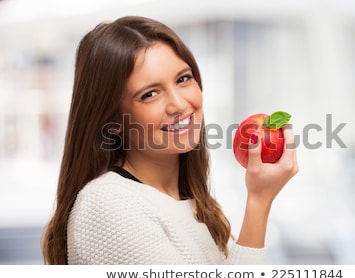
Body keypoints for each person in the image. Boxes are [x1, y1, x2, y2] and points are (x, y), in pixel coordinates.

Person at [41, 15, 298, 265]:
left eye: (183, 79)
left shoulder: (194, 204)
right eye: (150, 94)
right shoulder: (107, 206)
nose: (179, 104)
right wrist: (259, 201)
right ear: (114, 121)